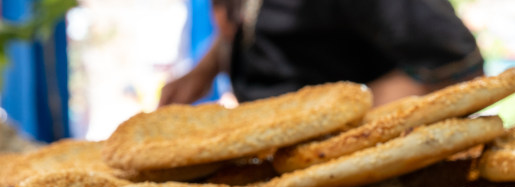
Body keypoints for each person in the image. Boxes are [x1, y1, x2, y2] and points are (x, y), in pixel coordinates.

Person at [159, 0, 483, 107]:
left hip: (345, 185)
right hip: (268, 164)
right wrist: (204, 68)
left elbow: (458, 65)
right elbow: (254, 16)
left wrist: (337, 116)